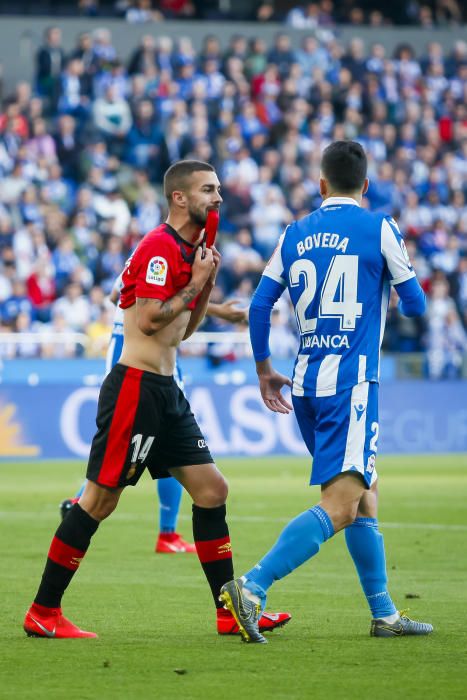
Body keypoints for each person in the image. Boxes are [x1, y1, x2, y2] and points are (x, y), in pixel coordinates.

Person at [23, 160, 289, 639]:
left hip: (167, 391)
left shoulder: (191, 250)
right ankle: (44, 611)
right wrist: (193, 281)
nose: (219, 198)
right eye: (209, 189)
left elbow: (183, 329)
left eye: (220, 189)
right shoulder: (159, 247)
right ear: (180, 198)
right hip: (135, 388)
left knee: (213, 490)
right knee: (99, 501)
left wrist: (205, 281)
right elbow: (147, 322)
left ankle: (228, 612)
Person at [219, 141, 433, 643]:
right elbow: (416, 306)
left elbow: (257, 307)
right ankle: (252, 587)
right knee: (341, 504)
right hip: (352, 384)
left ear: (320, 185)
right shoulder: (379, 226)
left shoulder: (295, 233)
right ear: (365, 185)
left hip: (307, 384)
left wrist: (263, 368)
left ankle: (384, 614)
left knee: (364, 496)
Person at [59, 276, 250, 557]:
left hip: (123, 359)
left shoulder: (137, 257)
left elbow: (115, 297)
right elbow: (163, 307)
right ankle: (166, 534)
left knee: (126, 450)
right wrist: (218, 309)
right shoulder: (165, 256)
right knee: (174, 448)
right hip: (148, 364)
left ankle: (80, 502)